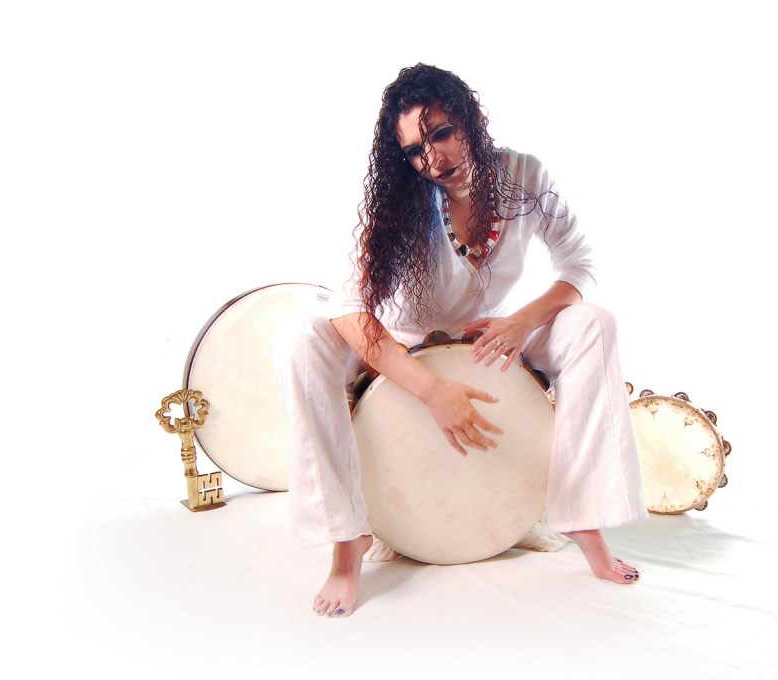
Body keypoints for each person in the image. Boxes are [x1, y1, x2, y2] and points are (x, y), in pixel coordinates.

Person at [274, 63, 647, 618]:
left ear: (470, 121)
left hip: (490, 335)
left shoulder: (525, 175)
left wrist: (521, 322)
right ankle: (345, 544)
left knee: (595, 322)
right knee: (301, 334)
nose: (432, 158)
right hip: (399, 339)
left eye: (441, 133)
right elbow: (349, 308)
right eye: (414, 150)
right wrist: (429, 389)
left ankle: (584, 520)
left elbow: (580, 263)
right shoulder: (397, 203)